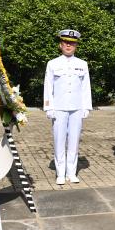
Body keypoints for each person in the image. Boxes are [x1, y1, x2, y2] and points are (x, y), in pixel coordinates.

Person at [43, 29, 93, 185]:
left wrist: (86, 107)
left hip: (77, 107)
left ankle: (72, 172)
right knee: (59, 140)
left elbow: (86, 87)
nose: (68, 45)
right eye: (66, 43)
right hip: (59, 107)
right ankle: (60, 173)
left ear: (76, 46)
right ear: (60, 45)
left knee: (74, 141)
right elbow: (48, 86)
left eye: (72, 43)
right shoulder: (52, 63)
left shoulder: (82, 64)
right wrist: (48, 107)